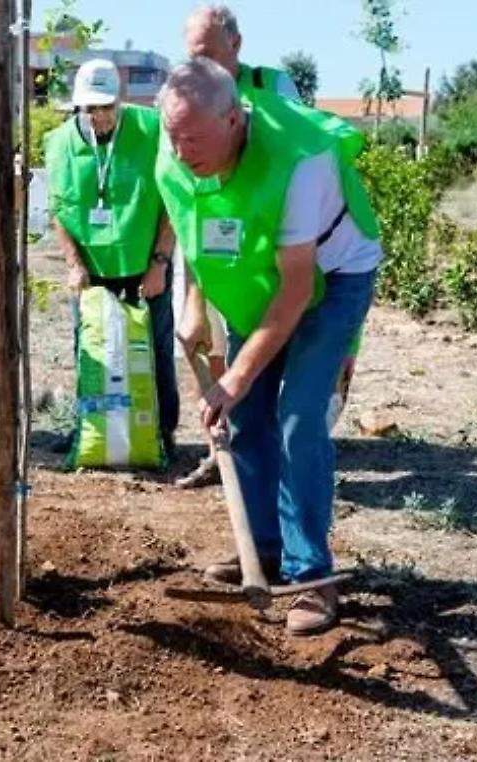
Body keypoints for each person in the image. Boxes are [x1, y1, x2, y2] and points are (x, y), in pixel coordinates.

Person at [155, 59, 383, 635]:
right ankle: (261, 549)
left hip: (330, 279)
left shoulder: (297, 162)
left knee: (299, 416)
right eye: (173, 136)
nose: (182, 152)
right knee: (245, 416)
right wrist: (194, 304)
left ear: (234, 119)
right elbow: (200, 222)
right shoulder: (177, 151)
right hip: (256, 275)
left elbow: (296, 291)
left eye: (194, 138)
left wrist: (235, 375)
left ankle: (313, 575)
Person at [175, 3, 303, 489]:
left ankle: (279, 479)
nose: (199, 65)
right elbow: (190, 207)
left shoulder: (274, 90)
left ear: (237, 45)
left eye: (207, 53)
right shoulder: (185, 94)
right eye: (191, 55)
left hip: (279, 259)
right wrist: (193, 299)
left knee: (280, 381)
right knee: (220, 360)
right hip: (220, 262)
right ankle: (223, 456)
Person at [45, 58, 179, 459]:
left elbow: (173, 201)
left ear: (120, 102)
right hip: (91, 274)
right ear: (78, 107)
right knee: (90, 350)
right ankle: (89, 427)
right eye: (91, 108)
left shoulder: (153, 128)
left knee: (155, 352)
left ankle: (161, 432)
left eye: (107, 106)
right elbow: (58, 211)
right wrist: (74, 264)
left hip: (145, 267)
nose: (100, 116)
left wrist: (159, 262)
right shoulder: (58, 144)